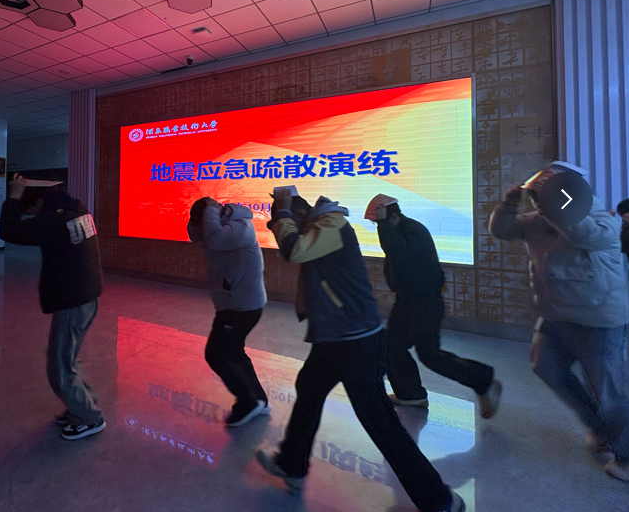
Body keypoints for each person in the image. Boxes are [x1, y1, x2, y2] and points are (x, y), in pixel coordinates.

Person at [255, 189, 465, 512]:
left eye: (284, 219)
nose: (283, 226)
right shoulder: (320, 227)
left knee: (379, 421)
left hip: (355, 340)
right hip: (335, 337)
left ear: (298, 214)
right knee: (309, 391)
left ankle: (439, 499)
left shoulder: (332, 225)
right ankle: (291, 464)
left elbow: (294, 250)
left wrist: (280, 213)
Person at [489, 161, 629, 482]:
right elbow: (501, 230)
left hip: (598, 320)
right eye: (539, 189)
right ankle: (599, 428)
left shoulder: (603, 220)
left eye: (552, 187)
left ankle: (626, 455)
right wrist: (509, 203)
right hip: (553, 315)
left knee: (608, 391)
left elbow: (584, 235)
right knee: (545, 367)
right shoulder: (535, 221)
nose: (540, 195)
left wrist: (554, 201)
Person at [366, 196, 501, 418]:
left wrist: (382, 224)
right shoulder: (402, 229)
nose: (377, 226)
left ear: (394, 217)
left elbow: (397, 250)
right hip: (407, 301)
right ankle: (411, 394)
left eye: (379, 221)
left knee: (429, 355)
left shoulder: (414, 231)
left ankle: (483, 379)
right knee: (392, 347)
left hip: (425, 303)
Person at [0, 174, 105, 441]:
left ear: (38, 204)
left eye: (32, 210)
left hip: (72, 302)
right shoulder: (77, 209)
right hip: (87, 298)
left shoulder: (53, 220)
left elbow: (8, 231)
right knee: (68, 359)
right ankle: (81, 404)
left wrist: (14, 196)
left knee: (59, 366)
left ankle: (89, 418)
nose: (33, 215)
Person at [187, 197, 270, 427]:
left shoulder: (240, 226)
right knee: (234, 352)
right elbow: (194, 236)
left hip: (241, 306)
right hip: (235, 304)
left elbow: (216, 239)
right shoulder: (218, 226)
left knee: (216, 354)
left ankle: (249, 402)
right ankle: (258, 399)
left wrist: (210, 210)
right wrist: (204, 214)